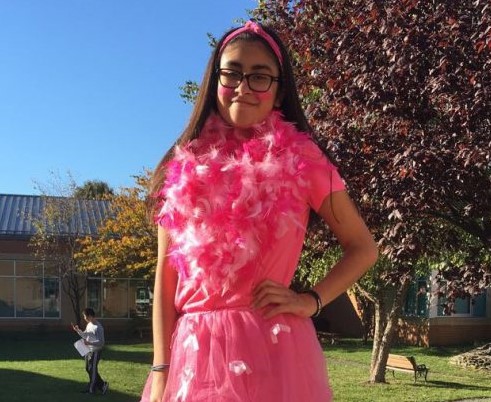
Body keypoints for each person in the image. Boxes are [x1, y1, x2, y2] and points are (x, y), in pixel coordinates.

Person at [140, 20, 378, 402]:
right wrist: (161, 367)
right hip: (193, 352)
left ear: (279, 91)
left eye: (259, 77)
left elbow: (363, 248)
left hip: (272, 347)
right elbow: (165, 279)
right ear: (214, 80)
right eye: (231, 73)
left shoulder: (303, 160)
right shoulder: (183, 166)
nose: (243, 88)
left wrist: (310, 300)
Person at [72, 307, 109, 395]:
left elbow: (101, 342)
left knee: (92, 369)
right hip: (88, 350)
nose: (84, 318)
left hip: (96, 351)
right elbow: (85, 335)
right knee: (88, 369)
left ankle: (91, 390)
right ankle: (103, 385)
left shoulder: (98, 327)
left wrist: (89, 342)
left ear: (90, 316)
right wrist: (78, 331)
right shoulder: (89, 325)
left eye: (85, 316)